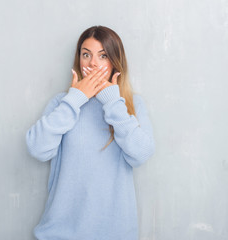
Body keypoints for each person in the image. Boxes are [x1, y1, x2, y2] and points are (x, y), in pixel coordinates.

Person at [26, 25, 155, 240]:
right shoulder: (63, 103)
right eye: (86, 54)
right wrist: (75, 99)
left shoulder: (132, 105)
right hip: (60, 234)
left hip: (115, 234)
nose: (93, 63)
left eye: (102, 56)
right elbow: (37, 149)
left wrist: (113, 102)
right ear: (79, 60)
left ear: (115, 62)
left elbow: (141, 154)